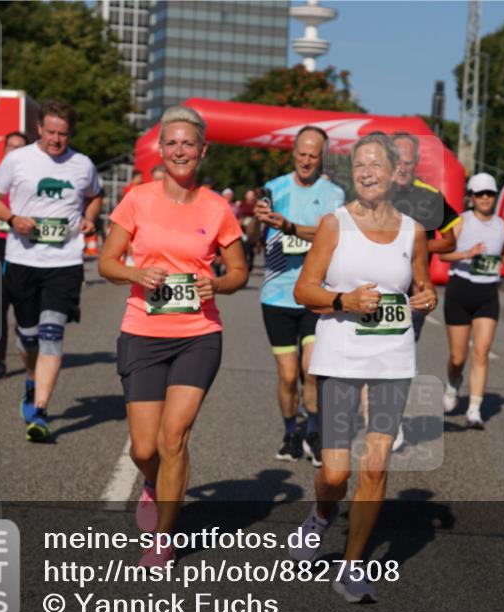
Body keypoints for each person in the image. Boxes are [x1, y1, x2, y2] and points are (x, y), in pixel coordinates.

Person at [288, 131, 436, 602]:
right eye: (359, 166)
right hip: (339, 358)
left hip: (392, 361)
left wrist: (427, 299)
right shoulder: (335, 225)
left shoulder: (414, 231)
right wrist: (342, 299)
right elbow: (304, 290)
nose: (367, 173)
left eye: (376, 165)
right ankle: (320, 517)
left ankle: (352, 567)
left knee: (374, 468)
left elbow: (421, 286)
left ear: (396, 173)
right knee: (335, 474)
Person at [99, 106, 247, 567]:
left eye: (189, 144)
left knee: (174, 437)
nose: (180, 151)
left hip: (197, 334)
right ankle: (153, 482)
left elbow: (239, 270)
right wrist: (136, 273)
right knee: (145, 448)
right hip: (143, 332)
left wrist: (217, 283)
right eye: (172, 143)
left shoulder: (216, 207)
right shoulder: (137, 200)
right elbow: (107, 262)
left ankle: (164, 536)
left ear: (203, 151)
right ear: (160, 150)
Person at [0, 100, 103, 443]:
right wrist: (11, 218)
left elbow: (95, 196)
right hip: (23, 259)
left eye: (62, 134)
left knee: (52, 332)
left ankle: (39, 410)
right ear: (39, 128)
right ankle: (32, 378)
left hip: (64, 262)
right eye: (50, 132)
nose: (55, 139)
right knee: (28, 334)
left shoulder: (82, 165)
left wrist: (90, 218)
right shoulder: (17, 160)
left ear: (71, 134)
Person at [255, 126, 345, 467]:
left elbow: (329, 234)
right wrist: (257, 220)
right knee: (288, 374)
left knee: (312, 369)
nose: (307, 160)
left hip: (314, 294)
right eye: (302, 154)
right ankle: (291, 431)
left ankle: (316, 432)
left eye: (314, 155)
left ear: (322, 157)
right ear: (294, 153)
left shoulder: (334, 194)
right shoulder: (274, 188)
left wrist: (289, 226)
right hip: (277, 295)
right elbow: (253, 233)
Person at [437, 174, 504, 429]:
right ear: (471, 197)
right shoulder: (461, 222)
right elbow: (442, 254)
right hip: (460, 290)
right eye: (480, 194)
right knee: (458, 357)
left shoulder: (503, 227)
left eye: (490, 194)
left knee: (482, 351)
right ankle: (453, 384)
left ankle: (474, 409)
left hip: (487, 294)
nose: (485, 198)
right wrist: (467, 253)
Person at [389, 131, 459, 341]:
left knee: (403, 351)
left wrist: (417, 247)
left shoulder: (431, 196)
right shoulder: (375, 192)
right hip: (377, 287)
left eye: (408, 162)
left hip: (415, 291)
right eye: (397, 160)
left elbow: (449, 242)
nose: (402, 167)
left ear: (417, 162)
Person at [0, 131, 30, 380]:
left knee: (25, 304)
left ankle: (28, 347)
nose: (16, 151)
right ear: (4, 150)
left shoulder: (32, 176)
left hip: (24, 246)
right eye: (12, 147)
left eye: (22, 147)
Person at [238, 189, 259, 268]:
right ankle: (246, 261)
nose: (250, 197)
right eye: (249, 195)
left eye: (252, 195)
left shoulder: (257, 205)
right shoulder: (241, 204)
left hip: (254, 228)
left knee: (251, 246)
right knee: (245, 246)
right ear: (246, 196)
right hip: (243, 228)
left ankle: (251, 260)